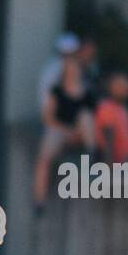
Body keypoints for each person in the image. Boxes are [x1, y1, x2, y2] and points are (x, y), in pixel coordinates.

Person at [34, 55, 97, 205]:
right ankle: (39, 199)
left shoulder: (86, 93)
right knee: (44, 160)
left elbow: (94, 117)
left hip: (80, 132)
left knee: (85, 116)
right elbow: (48, 118)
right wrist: (67, 131)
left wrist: (77, 132)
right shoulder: (57, 91)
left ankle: (93, 158)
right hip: (60, 130)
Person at [94, 72, 128, 164]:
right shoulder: (106, 107)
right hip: (120, 163)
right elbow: (109, 139)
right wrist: (109, 168)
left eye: (126, 85)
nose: (124, 88)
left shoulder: (124, 110)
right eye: (120, 85)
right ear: (110, 87)